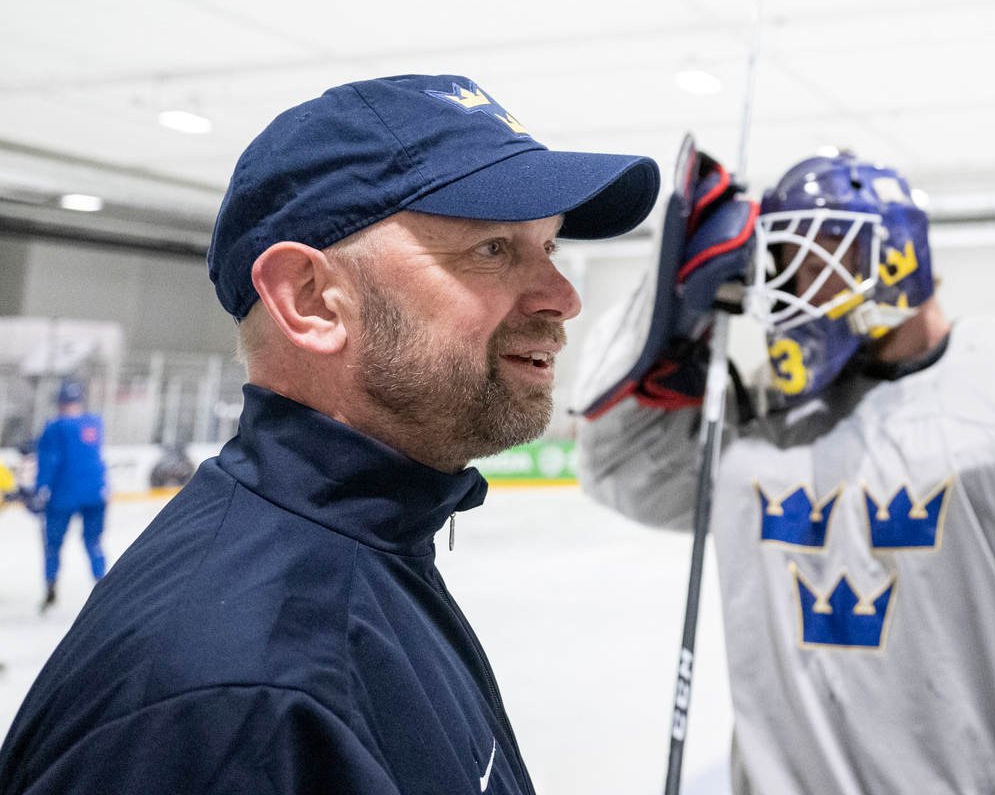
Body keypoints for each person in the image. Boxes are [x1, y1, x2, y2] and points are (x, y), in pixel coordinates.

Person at [0, 75, 659, 795]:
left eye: (549, 246)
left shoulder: (373, 548)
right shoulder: (233, 708)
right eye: (493, 248)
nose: (564, 298)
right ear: (310, 300)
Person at [576, 149, 995, 794]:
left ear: (893, 253)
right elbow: (615, 467)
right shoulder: (760, 413)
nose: (788, 287)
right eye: (778, 262)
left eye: (812, 257)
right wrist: (666, 311)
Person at [32, 380, 109, 613]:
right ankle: (103, 586)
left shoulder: (55, 427)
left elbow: (49, 461)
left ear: (60, 403)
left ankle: (50, 587)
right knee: (93, 541)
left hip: (62, 495)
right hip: (95, 492)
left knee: (53, 544)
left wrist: (40, 489)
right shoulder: (94, 423)